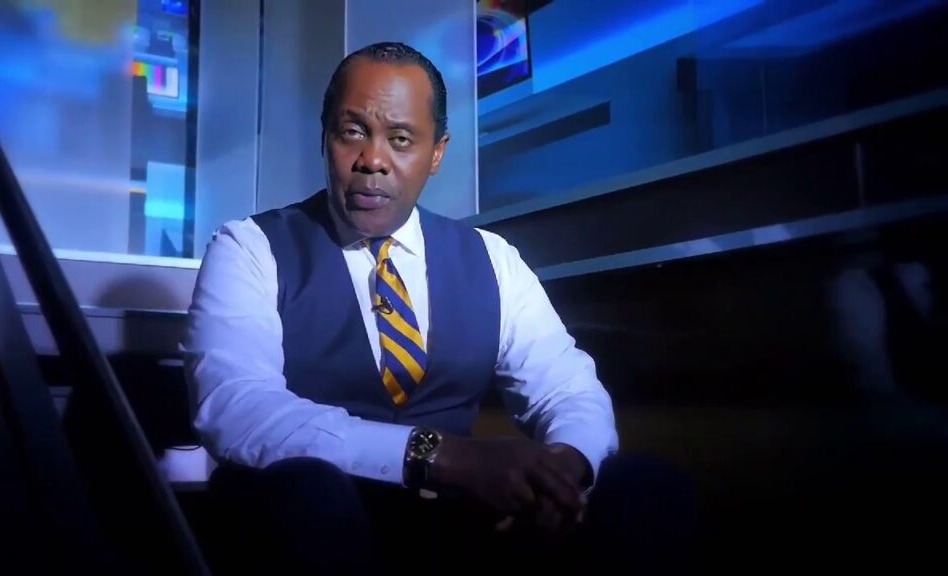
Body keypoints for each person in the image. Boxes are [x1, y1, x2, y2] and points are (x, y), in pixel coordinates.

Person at [184, 42, 694, 575]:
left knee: (645, 488)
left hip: (457, 529)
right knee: (305, 495)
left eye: (400, 139)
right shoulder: (249, 247)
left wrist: (562, 470)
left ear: (437, 153)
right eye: (352, 131)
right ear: (326, 137)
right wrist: (439, 456)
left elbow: (567, 387)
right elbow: (236, 408)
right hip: (318, 519)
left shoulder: (491, 259)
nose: (372, 160)